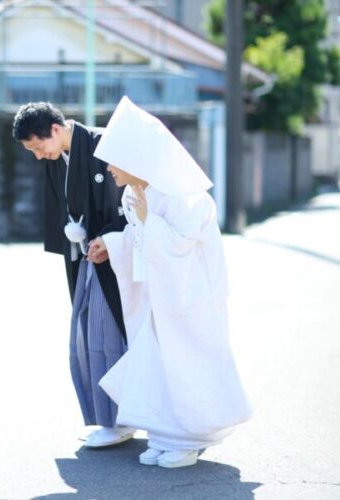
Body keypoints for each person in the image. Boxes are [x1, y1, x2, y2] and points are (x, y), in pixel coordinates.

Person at [88, 96, 253, 468]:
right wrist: (113, 244)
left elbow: (180, 246)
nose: (110, 168)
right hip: (160, 297)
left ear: (136, 158)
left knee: (188, 363)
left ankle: (190, 437)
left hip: (191, 297)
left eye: (115, 160)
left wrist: (149, 222)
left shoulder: (186, 195)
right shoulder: (136, 192)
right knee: (156, 364)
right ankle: (165, 435)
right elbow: (140, 239)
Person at [12, 103, 134, 447]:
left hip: (114, 258)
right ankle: (109, 417)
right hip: (86, 259)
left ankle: (122, 419)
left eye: (38, 147)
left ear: (55, 129)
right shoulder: (58, 158)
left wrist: (110, 238)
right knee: (86, 337)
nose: (39, 157)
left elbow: (128, 204)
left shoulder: (103, 145)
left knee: (109, 336)